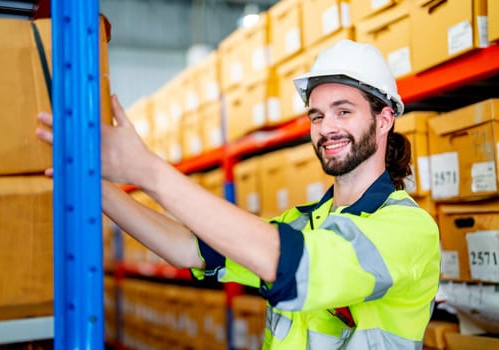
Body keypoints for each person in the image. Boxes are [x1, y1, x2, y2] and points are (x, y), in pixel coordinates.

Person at [36, 39, 441, 349]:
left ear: (385, 118)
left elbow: (295, 266)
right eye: (317, 116)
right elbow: (188, 248)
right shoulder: (300, 224)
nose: (326, 127)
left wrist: (149, 172)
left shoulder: (407, 228)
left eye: (344, 111)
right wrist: (96, 187)